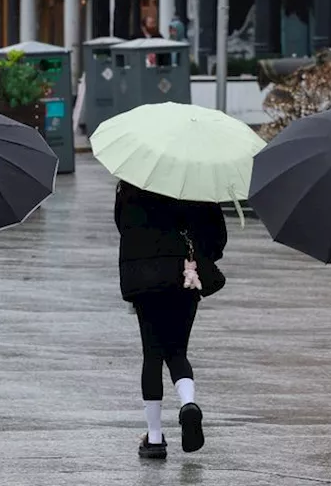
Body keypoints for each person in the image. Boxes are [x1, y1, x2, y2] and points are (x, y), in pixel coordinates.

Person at [114, 181, 227, 460]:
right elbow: (217, 235)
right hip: (184, 274)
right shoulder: (196, 180)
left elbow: (123, 225)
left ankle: (154, 438)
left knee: (151, 354)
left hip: (143, 277)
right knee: (177, 351)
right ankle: (188, 403)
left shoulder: (130, 182)